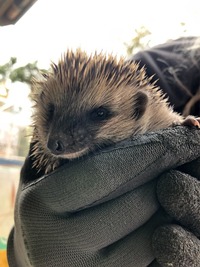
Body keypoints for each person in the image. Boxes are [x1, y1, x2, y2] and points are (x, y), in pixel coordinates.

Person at [7, 37, 200, 267]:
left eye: (98, 115)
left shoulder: (148, 107)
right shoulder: (171, 66)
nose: (57, 137)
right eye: (51, 112)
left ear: (138, 108)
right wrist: (22, 250)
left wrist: (182, 126)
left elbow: (168, 121)